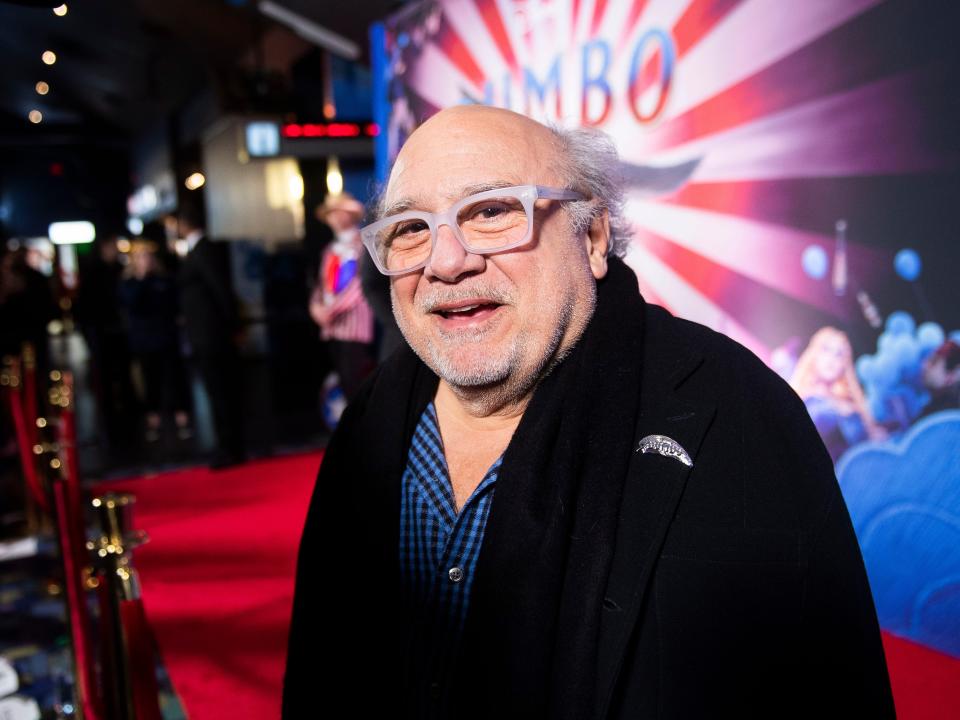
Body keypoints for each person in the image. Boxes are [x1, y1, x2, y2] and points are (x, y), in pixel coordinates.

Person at [283, 106, 894, 719]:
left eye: (493, 211)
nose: (445, 262)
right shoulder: (370, 425)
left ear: (594, 237)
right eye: (410, 228)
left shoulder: (731, 416)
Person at [177, 206, 245, 468]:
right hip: (206, 333)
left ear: (185, 225)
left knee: (221, 391)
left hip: (213, 334)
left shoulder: (203, 249)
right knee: (218, 391)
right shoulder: (197, 250)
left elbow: (219, 287)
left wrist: (233, 326)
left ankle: (229, 448)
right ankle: (227, 446)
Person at [117, 240, 192, 443]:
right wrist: (141, 279)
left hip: (167, 337)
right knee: (150, 382)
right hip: (144, 341)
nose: (146, 261)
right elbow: (131, 305)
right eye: (141, 257)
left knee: (174, 379)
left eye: (148, 256)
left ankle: (182, 418)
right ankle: (153, 421)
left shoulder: (164, 280)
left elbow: (175, 305)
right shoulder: (129, 283)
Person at [309, 193, 376, 402]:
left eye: (339, 212)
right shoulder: (330, 249)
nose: (335, 218)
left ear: (351, 215)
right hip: (332, 327)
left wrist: (330, 311)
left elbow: (360, 286)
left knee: (354, 380)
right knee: (342, 379)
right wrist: (315, 306)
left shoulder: (362, 245)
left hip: (354, 326)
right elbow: (321, 284)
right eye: (331, 214)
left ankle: (363, 430)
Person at [790, 326, 885, 461]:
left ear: (844, 364)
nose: (832, 359)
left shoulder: (846, 399)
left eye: (839, 354)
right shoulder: (802, 401)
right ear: (814, 355)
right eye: (826, 350)